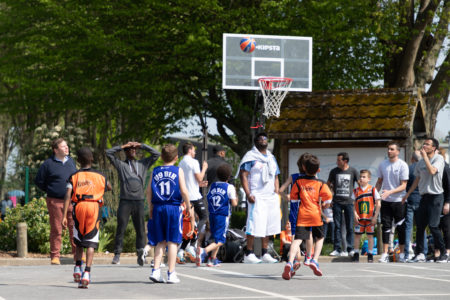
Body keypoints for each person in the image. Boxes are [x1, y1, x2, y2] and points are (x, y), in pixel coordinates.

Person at [62, 147, 112, 288]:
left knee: (79, 240)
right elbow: (109, 187)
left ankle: (78, 267)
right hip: (93, 207)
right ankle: (87, 272)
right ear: (92, 159)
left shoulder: (74, 176)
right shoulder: (100, 176)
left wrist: (65, 214)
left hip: (78, 206)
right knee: (91, 242)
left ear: (78, 161)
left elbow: (67, 194)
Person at [146, 144, 195, 284]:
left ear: (161, 157)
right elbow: (184, 191)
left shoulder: (154, 171)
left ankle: (155, 270)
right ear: (176, 157)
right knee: (172, 241)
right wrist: (188, 206)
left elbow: (148, 191)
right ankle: (171, 273)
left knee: (160, 241)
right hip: (173, 207)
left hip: (158, 207)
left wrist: (150, 207)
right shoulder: (178, 170)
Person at [106, 141, 160, 266]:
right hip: (125, 200)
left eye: (134, 149)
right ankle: (117, 255)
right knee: (121, 228)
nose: (133, 151)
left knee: (141, 230)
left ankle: (141, 255)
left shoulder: (143, 163)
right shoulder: (121, 165)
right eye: (130, 149)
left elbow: (156, 154)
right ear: (125, 151)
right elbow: (108, 153)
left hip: (139, 201)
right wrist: (122, 146)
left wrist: (142, 145)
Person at [282, 154, 332, 280]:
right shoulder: (321, 183)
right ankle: (313, 259)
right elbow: (328, 198)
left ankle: (290, 261)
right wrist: (326, 204)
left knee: (297, 239)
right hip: (315, 214)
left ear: (303, 167)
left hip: (302, 214)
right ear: (318, 170)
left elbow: (293, 198)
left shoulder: (298, 182)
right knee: (319, 237)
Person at [238, 132, 280, 264]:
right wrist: (248, 193)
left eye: (265, 139)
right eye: (260, 139)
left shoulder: (271, 157)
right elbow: (243, 176)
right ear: (256, 142)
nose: (263, 140)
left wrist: (277, 191)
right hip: (256, 196)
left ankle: (265, 253)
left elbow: (276, 176)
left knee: (268, 224)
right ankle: (249, 253)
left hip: (270, 196)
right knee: (253, 224)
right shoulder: (250, 157)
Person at [403, 138, 447, 262]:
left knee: (433, 226)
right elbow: (417, 179)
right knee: (420, 226)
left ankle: (444, 253)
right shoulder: (420, 162)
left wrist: (425, 158)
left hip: (436, 197)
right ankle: (420, 253)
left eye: (427, 144)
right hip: (424, 197)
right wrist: (408, 194)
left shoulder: (439, 159)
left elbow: (432, 171)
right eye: (424, 144)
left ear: (433, 148)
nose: (424, 146)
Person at [35, 138, 77, 265]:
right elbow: (39, 181)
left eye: (67, 146)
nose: (67, 148)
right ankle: (55, 256)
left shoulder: (71, 162)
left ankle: (78, 255)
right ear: (55, 150)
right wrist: (51, 190)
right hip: (55, 201)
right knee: (56, 229)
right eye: (63, 146)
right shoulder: (47, 164)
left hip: (71, 201)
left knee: (74, 228)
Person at [198, 163, 238, 267]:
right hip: (222, 215)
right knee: (221, 239)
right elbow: (234, 203)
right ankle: (204, 251)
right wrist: (235, 195)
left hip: (212, 214)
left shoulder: (213, 185)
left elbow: (208, 198)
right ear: (229, 177)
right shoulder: (229, 187)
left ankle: (212, 259)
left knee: (216, 237)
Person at [376, 141, 408, 263]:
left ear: (397, 151)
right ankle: (384, 254)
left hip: (399, 201)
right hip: (386, 201)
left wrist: (390, 192)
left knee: (400, 227)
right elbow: (379, 181)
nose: (389, 151)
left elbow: (403, 186)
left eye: (392, 149)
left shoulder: (402, 165)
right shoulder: (383, 164)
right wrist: (374, 194)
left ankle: (402, 254)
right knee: (386, 227)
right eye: (388, 149)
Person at [327, 152, 359, 257]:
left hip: (349, 202)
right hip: (337, 202)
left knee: (350, 226)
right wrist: (330, 196)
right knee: (337, 226)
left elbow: (360, 184)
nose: (337, 162)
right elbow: (327, 185)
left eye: (339, 160)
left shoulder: (353, 171)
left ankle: (350, 249)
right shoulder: (334, 171)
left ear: (345, 161)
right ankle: (337, 249)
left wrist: (356, 198)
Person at [178, 142, 208, 252]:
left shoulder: (180, 163)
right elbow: (199, 177)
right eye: (194, 150)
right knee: (204, 217)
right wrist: (204, 168)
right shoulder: (194, 162)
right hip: (195, 196)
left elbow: (188, 180)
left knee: (190, 219)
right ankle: (193, 241)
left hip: (185, 196)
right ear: (190, 150)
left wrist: (199, 185)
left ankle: (183, 248)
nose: (195, 152)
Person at [351, 170, 381, 263]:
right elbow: (353, 203)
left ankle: (370, 254)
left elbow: (378, 204)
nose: (361, 178)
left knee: (370, 236)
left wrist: (375, 216)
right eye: (360, 177)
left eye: (364, 177)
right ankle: (356, 253)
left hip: (369, 218)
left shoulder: (373, 189)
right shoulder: (356, 191)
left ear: (369, 179)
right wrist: (355, 214)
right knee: (357, 236)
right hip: (359, 218)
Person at [403, 150, 427, 260]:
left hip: (410, 199)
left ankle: (407, 253)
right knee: (421, 227)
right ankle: (423, 251)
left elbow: (404, 185)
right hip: (422, 199)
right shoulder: (424, 168)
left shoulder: (408, 168)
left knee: (408, 227)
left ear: (412, 159)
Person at [438, 147, 450, 261]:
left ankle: (447, 252)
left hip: (445, 202)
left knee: (446, 228)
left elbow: (449, 187)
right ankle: (438, 252)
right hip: (438, 202)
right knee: (436, 227)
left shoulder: (445, 168)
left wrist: (447, 202)